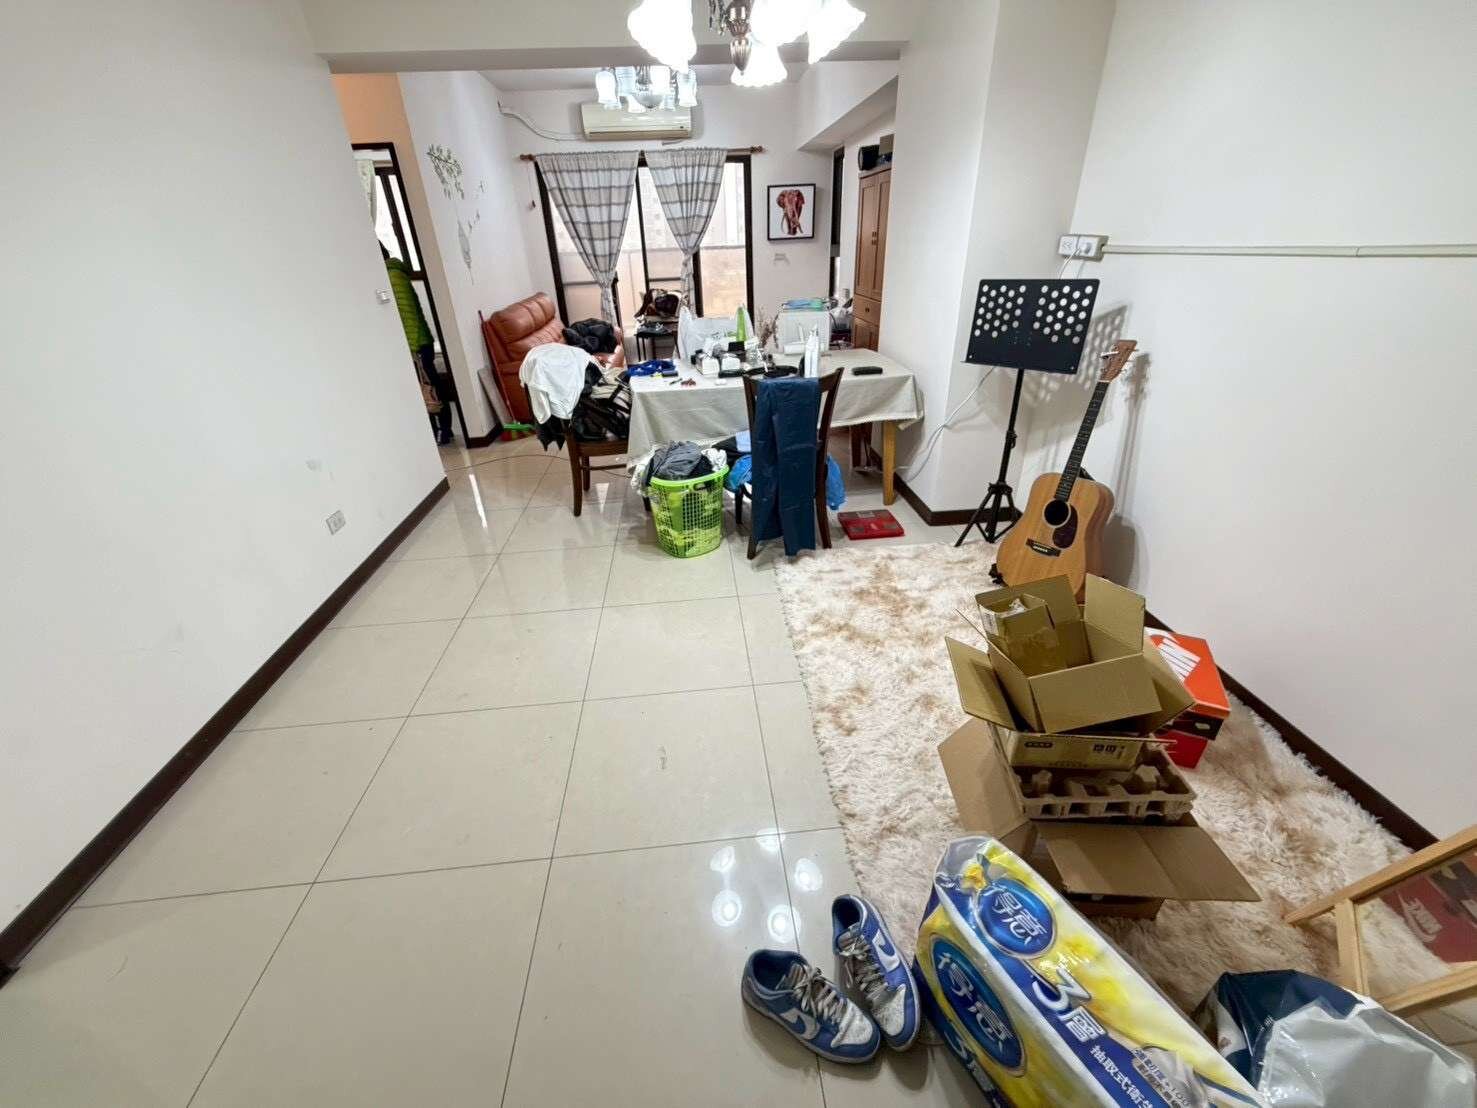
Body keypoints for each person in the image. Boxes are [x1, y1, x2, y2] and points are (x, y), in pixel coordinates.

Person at [382, 244, 453, 444]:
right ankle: (440, 431)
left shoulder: (392, 277)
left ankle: (442, 431)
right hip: (418, 343)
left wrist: (413, 350)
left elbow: (409, 315)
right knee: (429, 387)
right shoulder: (394, 274)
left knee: (429, 389)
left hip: (416, 344)